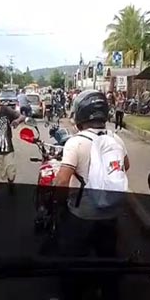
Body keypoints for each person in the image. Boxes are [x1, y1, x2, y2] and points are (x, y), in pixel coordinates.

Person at [54, 90, 129, 258]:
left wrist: (61, 204)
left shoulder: (76, 142)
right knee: (107, 254)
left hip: (83, 214)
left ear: (80, 114)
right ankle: (108, 283)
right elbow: (126, 166)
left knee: (74, 256)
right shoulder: (116, 139)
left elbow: (62, 181)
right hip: (111, 212)